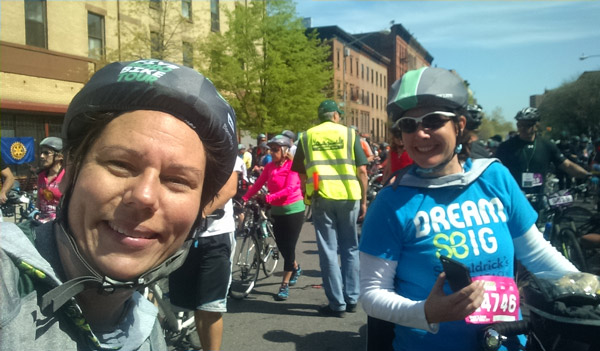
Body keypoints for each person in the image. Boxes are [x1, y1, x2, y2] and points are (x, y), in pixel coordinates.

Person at [0, 59, 237, 350]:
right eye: (120, 164)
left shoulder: (148, 332)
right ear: (70, 172)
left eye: (177, 180)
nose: (145, 196)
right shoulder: (7, 284)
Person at [359, 67, 578, 351]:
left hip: (508, 341)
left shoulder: (494, 178)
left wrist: (590, 290)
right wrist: (426, 313)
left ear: (459, 125)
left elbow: (538, 256)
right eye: (408, 125)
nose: (421, 134)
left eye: (433, 120)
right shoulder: (391, 201)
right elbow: (372, 293)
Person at [292, 99, 368, 317]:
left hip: (322, 196)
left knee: (328, 250)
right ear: (336, 115)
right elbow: (362, 170)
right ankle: (352, 298)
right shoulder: (350, 134)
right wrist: (363, 201)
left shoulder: (307, 137)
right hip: (349, 196)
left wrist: (309, 193)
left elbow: (301, 172)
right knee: (350, 248)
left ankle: (337, 303)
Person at [169, 156, 244, 351]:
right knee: (185, 303)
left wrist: (199, 213)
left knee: (209, 307)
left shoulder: (226, 152)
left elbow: (229, 189)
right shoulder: (185, 148)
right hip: (183, 236)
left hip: (216, 236)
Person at [242, 134, 305, 300]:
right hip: (277, 212)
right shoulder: (270, 167)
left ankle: (284, 285)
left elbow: (290, 189)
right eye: (271, 149)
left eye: (276, 149)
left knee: (289, 247)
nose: (272, 152)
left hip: (293, 211)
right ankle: (295, 267)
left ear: (284, 150)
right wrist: (245, 198)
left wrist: (268, 198)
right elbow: (258, 184)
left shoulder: (292, 166)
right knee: (283, 246)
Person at [495, 107, 590, 212]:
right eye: (519, 125)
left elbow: (567, 165)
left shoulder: (547, 145)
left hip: (538, 200)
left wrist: (587, 175)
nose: (522, 128)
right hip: (512, 200)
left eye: (527, 125)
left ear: (537, 125)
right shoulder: (506, 147)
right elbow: (494, 171)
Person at [36, 136, 66, 223]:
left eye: (46, 153)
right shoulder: (41, 176)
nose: (42, 156)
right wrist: (35, 211)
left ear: (60, 156)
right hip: (41, 221)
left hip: (60, 223)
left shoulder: (67, 176)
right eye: (41, 153)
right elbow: (39, 200)